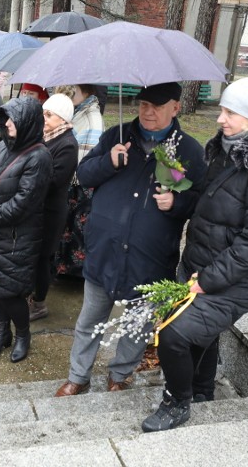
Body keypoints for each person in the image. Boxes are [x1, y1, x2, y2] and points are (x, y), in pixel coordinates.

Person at [142, 75, 248, 432]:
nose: (220, 119)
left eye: (229, 112)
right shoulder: (228, 150)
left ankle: (176, 402)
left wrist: (207, 280)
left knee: (174, 335)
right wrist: (177, 197)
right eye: (223, 110)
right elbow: (208, 202)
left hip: (233, 279)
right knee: (201, 334)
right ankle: (200, 390)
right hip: (200, 264)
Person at [55, 82, 206, 397]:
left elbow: (202, 201)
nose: (148, 112)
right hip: (105, 252)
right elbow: (83, 176)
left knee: (137, 327)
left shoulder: (188, 150)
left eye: (157, 106)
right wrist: (109, 161)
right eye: (143, 105)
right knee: (89, 320)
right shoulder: (117, 136)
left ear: (175, 108)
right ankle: (78, 376)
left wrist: (177, 204)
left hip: (149, 258)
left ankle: (120, 375)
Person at [0, 97, 53, 363]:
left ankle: (23, 336)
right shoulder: (5, 146)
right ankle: (1, 334)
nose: (7, 124)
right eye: (5, 119)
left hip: (18, 237)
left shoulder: (39, 157)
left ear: (28, 122)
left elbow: (22, 205)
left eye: (12, 119)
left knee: (10, 291)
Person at [29, 94, 79, 321]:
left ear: (63, 119)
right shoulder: (45, 136)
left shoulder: (67, 144)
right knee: (31, 254)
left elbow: (54, 181)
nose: (44, 119)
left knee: (42, 257)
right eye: (43, 114)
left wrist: (28, 176)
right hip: (35, 207)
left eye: (49, 115)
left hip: (50, 211)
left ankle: (39, 303)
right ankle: (29, 293)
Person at [53, 84, 104, 279]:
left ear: (87, 91)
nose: (70, 91)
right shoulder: (79, 110)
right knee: (66, 226)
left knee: (76, 229)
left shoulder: (92, 116)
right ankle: (62, 267)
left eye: (75, 88)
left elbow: (88, 152)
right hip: (71, 180)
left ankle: (74, 272)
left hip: (81, 183)